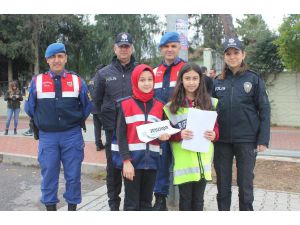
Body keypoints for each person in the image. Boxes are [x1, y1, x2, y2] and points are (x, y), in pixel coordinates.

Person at [25, 42, 92, 211]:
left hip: (72, 135)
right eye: (52, 57)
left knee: (74, 176)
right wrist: (44, 121)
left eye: (60, 56)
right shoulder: (37, 81)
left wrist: (73, 122)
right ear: (47, 60)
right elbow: (29, 108)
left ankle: (71, 210)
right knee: (49, 175)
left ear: (65, 58)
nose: (57, 60)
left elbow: (86, 107)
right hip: (48, 137)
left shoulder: (77, 81)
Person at [212, 37, 270, 211]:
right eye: (228, 53)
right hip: (221, 141)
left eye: (236, 52)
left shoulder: (253, 79)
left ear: (243, 54)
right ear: (224, 57)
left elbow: (265, 110)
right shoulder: (217, 81)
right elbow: (208, 110)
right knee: (223, 186)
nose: (232, 56)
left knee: (245, 186)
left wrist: (263, 139)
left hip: (247, 140)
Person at [112, 64, 170, 210]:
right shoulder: (125, 105)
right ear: (135, 81)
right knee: (132, 204)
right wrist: (126, 161)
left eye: (150, 79)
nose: (146, 83)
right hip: (132, 163)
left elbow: (162, 132)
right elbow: (120, 136)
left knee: (146, 203)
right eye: (142, 80)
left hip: (151, 163)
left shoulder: (160, 106)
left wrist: (164, 136)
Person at [163, 62, 219, 210]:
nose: (191, 82)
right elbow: (167, 133)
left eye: (195, 78)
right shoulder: (172, 106)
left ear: (200, 80)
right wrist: (179, 134)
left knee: (199, 201)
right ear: (181, 80)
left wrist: (214, 134)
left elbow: (216, 129)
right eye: (187, 78)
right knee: (186, 201)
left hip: (203, 164)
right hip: (185, 164)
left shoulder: (210, 103)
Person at [93, 32, 137, 211]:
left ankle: (130, 205)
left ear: (132, 48)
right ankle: (113, 205)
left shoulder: (140, 70)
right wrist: (106, 122)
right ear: (115, 48)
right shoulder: (103, 74)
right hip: (112, 131)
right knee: (113, 170)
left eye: (127, 46)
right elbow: (96, 103)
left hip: (134, 131)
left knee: (132, 167)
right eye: (121, 46)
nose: (124, 49)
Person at [152, 31, 186, 211]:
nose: (170, 49)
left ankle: (186, 201)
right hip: (160, 128)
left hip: (181, 127)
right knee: (161, 165)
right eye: (166, 46)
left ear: (179, 47)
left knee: (183, 164)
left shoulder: (187, 70)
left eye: (173, 46)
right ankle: (160, 200)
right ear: (161, 49)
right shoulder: (154, 72)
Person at [88, 65, 106, 151]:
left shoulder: (91, 80)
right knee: (108, 126)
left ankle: (98, 144)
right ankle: (109, 144)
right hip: (102, 107)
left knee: (97, 127)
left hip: (94, 108)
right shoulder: (102, 79)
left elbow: (89, 94)